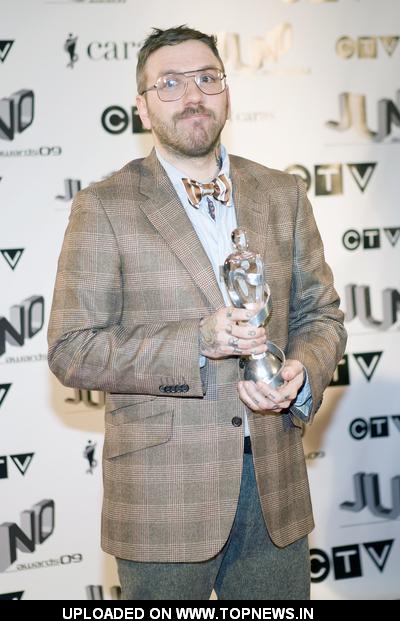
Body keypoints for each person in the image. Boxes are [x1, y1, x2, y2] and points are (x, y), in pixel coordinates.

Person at [48, 25, 347, 600]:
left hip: (275, 497)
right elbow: (70, 348)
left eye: (208, 78)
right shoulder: (104, 206)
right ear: (142, 106)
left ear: (227, 93)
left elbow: (322, 317)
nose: (193, 94)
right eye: (170, 83)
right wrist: (197, 341)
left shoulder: (282, 193)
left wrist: (302, 372)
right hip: (163, 502)